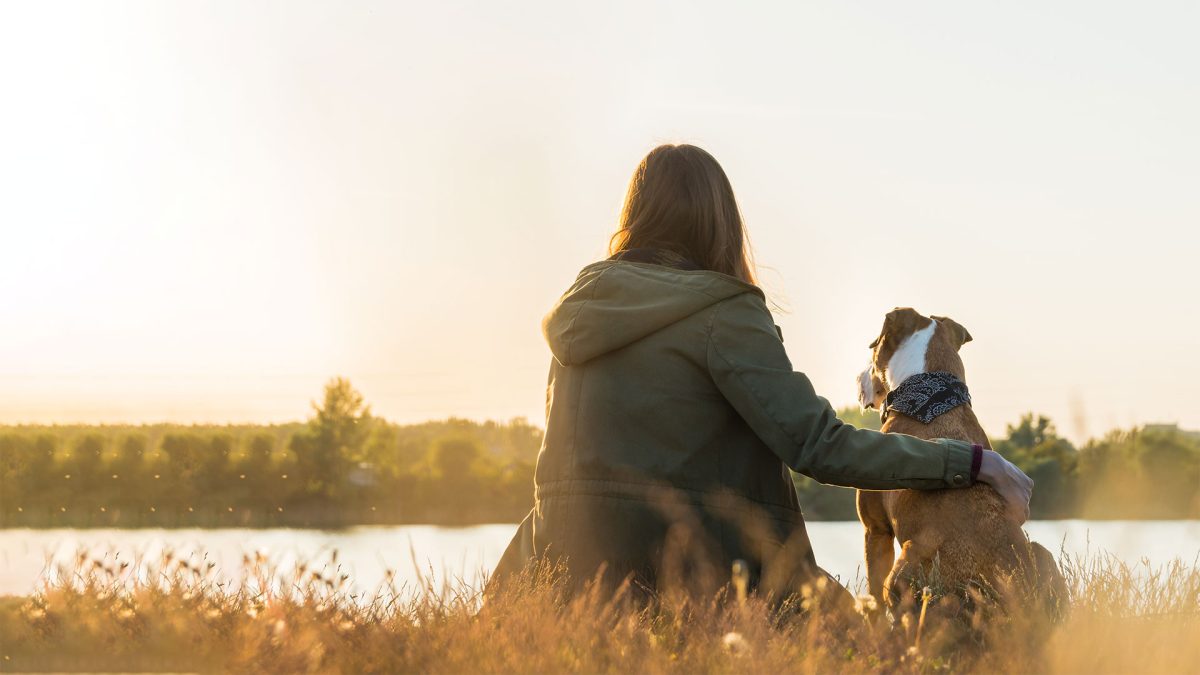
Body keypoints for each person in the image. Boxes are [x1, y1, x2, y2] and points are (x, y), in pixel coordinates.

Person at [490, 143, 1032, 604]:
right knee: (870, 646)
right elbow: (822, 447)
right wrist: (972, 461)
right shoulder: (726, 312)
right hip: (704, 578)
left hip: (562, 578)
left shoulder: (581, 313)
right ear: (721, 221)